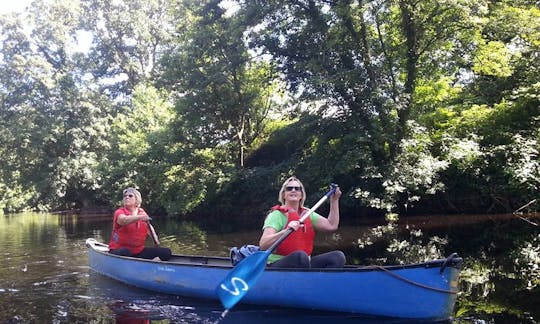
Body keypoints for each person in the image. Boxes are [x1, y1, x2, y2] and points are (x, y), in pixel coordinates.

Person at [259, 176, 346, 268]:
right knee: (300, 257)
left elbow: (331, 225)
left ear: (301, 195)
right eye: (289, 188)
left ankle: (322, 281)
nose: (293, 190)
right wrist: (286, 231)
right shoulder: (276, 215)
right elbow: (263, 244)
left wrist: (334, 200)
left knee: (337, 257)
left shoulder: (308, 214)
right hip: (278, 264)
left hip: (304, 263)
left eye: (297, 189)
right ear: (284, 195)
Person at [108, 187, 171, 261]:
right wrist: (140, 217)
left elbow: (148, 227)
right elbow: (123, 220)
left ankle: (152, 264)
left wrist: (156, 240)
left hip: (138, 251)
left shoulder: (141, 212)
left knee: (166, 252)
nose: (126, 197)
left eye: (130, 196)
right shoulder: (120, 212)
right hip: (118, 251)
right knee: (126, 252)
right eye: (125, 196)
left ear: (137, 199)